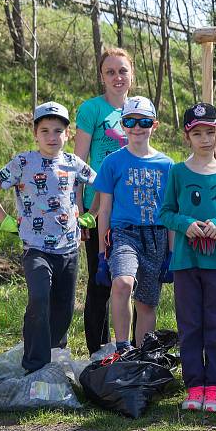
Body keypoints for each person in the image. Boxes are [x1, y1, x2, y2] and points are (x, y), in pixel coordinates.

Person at [0, 102, 96, 374]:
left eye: (58, 131)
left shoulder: (73, 163)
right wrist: (5, 220)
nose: (51, 137)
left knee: (64, 307)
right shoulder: (23, 162)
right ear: (35, 133)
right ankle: (34, 365)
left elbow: (100, 184)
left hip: (68, 248)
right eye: (45, 130)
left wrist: (92, 213)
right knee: (39, 299)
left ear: (67, 135)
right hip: (36, 248)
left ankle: (55, 357)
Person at [159, 103, 216, 413]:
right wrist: (186, 225)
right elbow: (165, 213)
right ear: (188, 136)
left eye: (210, 132)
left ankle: (214, 387)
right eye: (198, 133)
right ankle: (194, 385)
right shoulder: (178, 172)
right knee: (190, 323)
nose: (205, 139)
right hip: (185, 261)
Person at [93, 96, 174, 351]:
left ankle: (143, 356)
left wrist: (172, 253)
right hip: (124, 234)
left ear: (155, 125)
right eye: (130, 121)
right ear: (122, 124)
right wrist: (101, 254)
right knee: (123, 283)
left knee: (147, 303)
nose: (137, 127)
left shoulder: (168, 165)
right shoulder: (112, 162)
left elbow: (171, 212)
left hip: (157, 236)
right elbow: (104, 210)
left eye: (144, 121)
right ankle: (123, 348)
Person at [74, 47, 135, 354]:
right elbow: (77, 162)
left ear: (131, 74)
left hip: (133, 208)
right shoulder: (91, 110)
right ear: (102, 76)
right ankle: (97, 353)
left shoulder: (139, 108)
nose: (117, 77)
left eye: (122, 71)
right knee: (101, 283)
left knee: (130, 282)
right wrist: (79, 209)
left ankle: (132, 349)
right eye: (110, 71)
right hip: (96, 207)